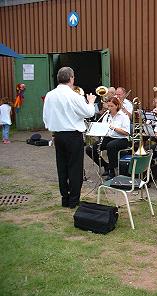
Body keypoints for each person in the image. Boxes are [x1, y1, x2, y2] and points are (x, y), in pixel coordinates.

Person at [43, 67, 96, 209]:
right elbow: (89, 113)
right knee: (75, 168)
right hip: (73, 135)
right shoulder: (74, 96)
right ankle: (73, 200)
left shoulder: (49, 95)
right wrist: (90, 101)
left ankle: (64, 199)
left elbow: (46, 117)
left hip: (58, 135)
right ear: (71, 78)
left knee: (62, 167)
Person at [85, 97, 131, 180]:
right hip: (109, 137)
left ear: (117, 106)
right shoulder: (107, 115)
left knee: (111, 146)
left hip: (122, 139)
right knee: (90, 149)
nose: (109, 108)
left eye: (111, 106)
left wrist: (113, 128)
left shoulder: (124, 116)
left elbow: (126, 132)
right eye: (108, 106)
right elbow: (103, 127)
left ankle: (112, 171)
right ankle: (105, 166)